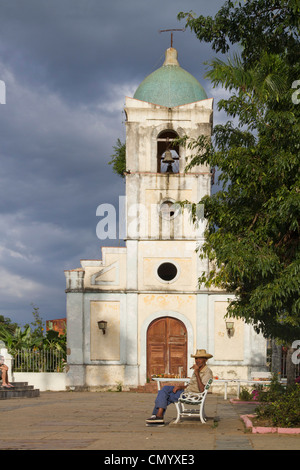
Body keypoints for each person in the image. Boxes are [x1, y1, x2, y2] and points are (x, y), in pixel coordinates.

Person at [146, 349, 213, 426]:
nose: (197, 361)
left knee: (164, 395)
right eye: (196, 358)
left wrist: (197, 373)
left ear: (205, 360)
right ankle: (158, 416)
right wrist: (180, 387)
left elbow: (202, 390)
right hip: (186, 390)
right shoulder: (197, 369)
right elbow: (191, 385)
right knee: (165, 389)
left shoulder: (207, 372)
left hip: (192, 395)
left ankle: (158, 416)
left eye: (200, 358)